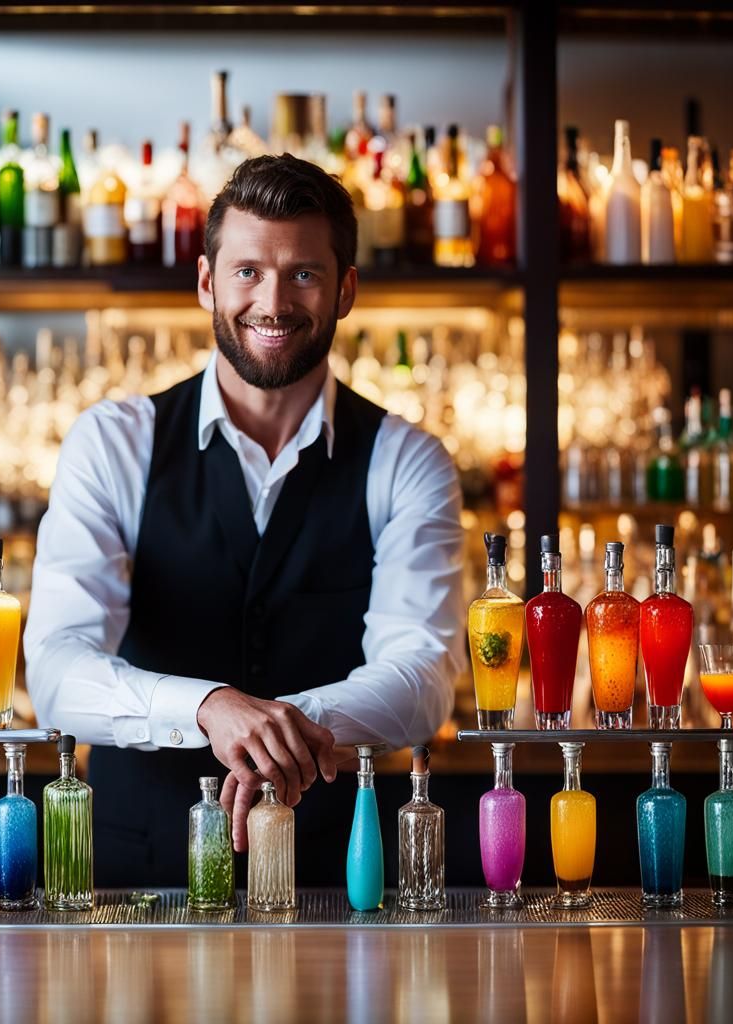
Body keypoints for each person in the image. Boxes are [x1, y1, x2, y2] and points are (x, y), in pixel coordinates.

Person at [24, 154, 465, 886]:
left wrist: (276, 728)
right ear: (207, 282)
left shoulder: (407, 460)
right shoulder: (114, 442)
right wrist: (208, 707)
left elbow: (422, 680)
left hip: (337, 880)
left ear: (345, 290)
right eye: (248, 271)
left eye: (304, 274)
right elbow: (58, 672)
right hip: (137, 881)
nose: (273, 301)